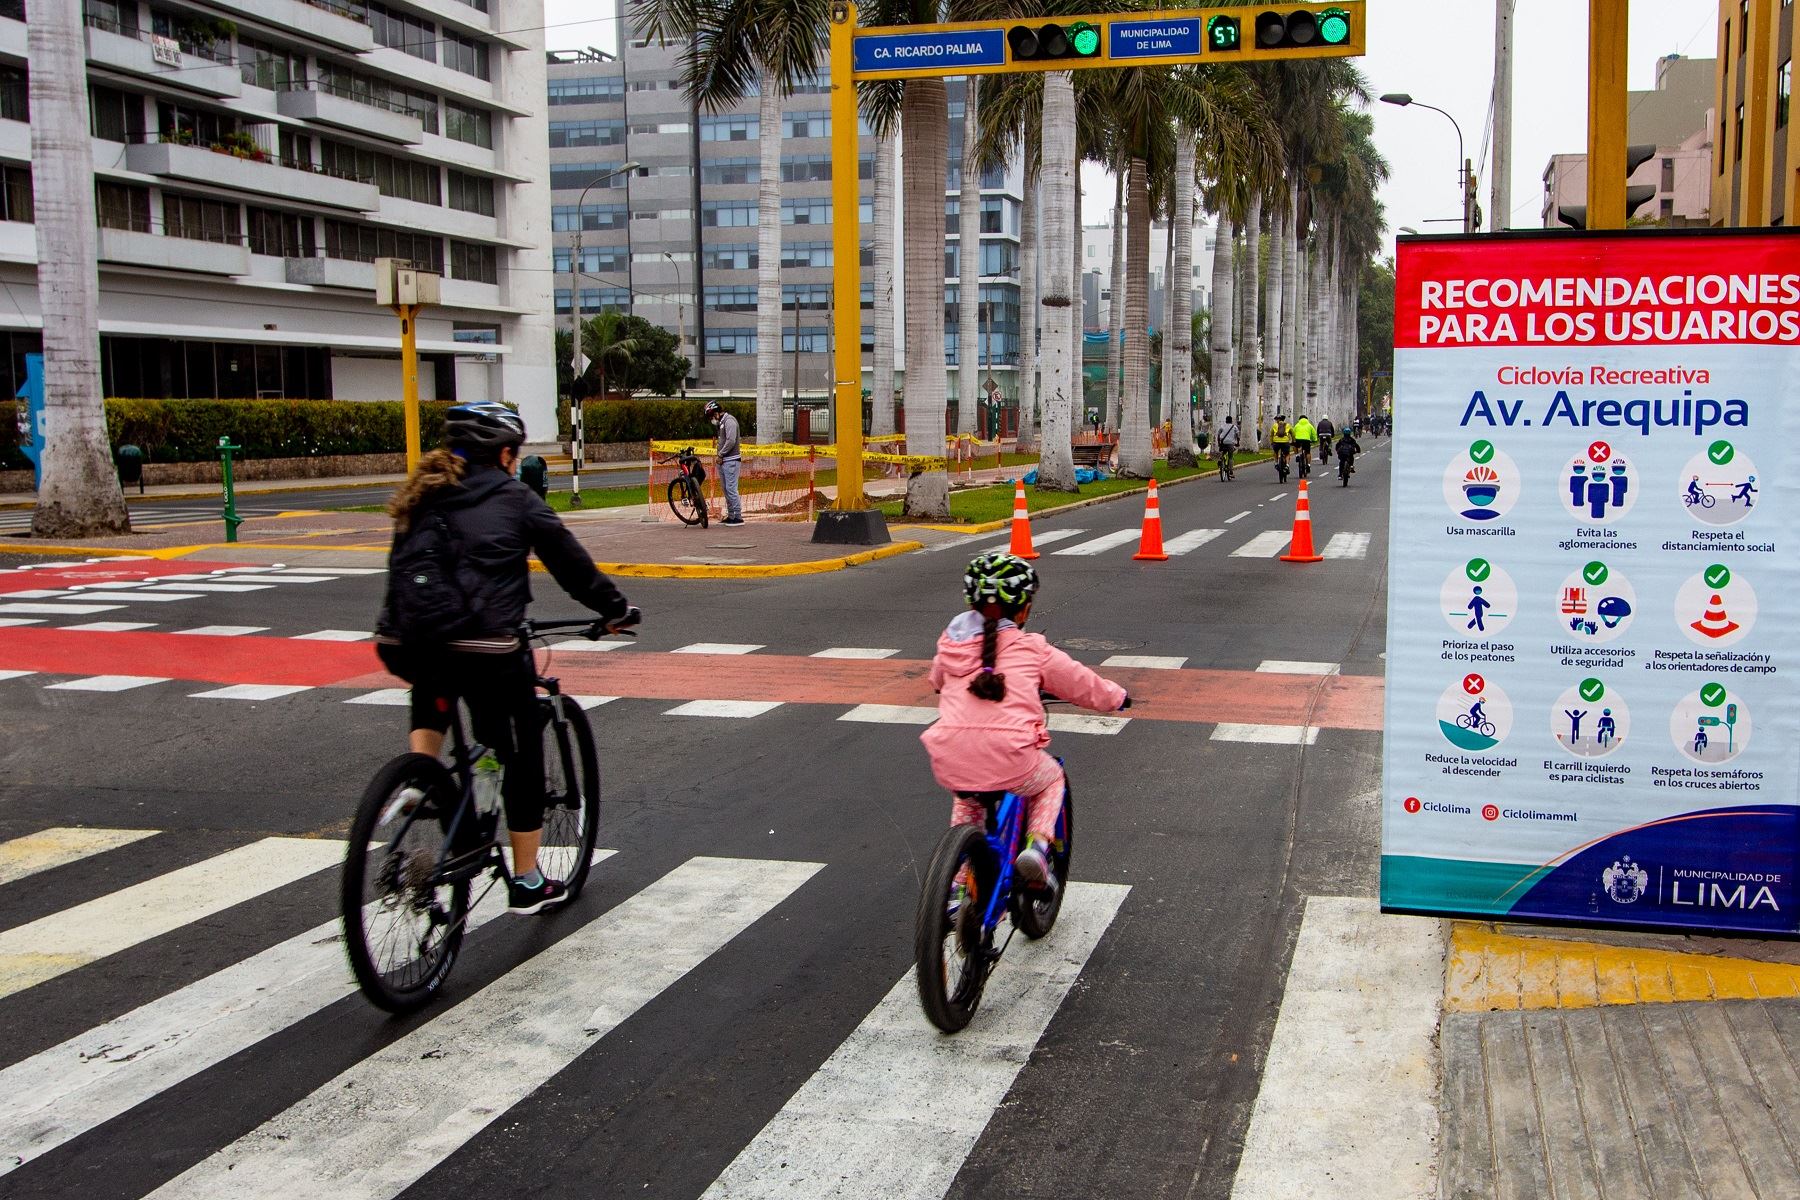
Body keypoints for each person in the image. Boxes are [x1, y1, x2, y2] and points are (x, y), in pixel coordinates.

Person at [376, 402, 637, 914]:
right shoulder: (515, 498)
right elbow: (569, 562)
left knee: (434, 673)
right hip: (487, 648)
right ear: (503, 454)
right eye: (515, 453)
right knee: (521, 754)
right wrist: (613, 609)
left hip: (403, 641)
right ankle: (527, 880)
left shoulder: (421, 492)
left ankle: (423, 777)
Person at [921, 553, 1129, 891]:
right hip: (1013, 755)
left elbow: (937, 681)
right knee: (1051, 779)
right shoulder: (1032, 649)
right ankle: (1037, 848)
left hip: (951, 755)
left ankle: (957, 886)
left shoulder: (950, 645)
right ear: (1024, 610)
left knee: (968, 799)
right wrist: (1117, 697)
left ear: (971, 604)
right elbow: (1082, 684)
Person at [705, 400, 743, 527]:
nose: (711, 419)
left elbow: (731, 440)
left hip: (731, 460)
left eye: (711, 416)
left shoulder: (729, 421)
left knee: (731, 489)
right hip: (724, 461)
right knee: (726, 489)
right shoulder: (721, 423)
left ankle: (737, 516)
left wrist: (721, 454)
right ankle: (731, 515)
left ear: (716, 413)